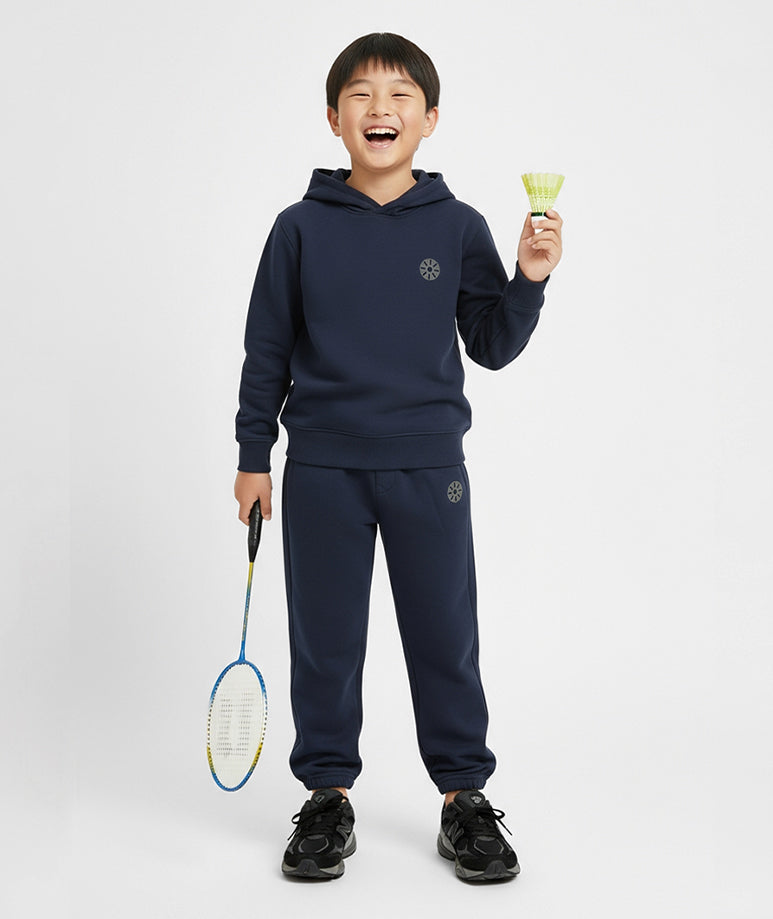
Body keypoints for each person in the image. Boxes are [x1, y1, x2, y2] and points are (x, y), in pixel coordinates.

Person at [233, 32, 563, 882]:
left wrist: (528, 279)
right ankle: (326, 797)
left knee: (444, 635)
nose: (380, 109)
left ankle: (464, 801)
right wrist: (252, 455)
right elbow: (265, 350)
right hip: (322, 474)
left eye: (399, 96)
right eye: (361, 96)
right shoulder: (298, 227)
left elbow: (489, 344)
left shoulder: (457, 226)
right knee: (326, 641)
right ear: (335, 118)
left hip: (429, 470)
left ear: (430, 119)